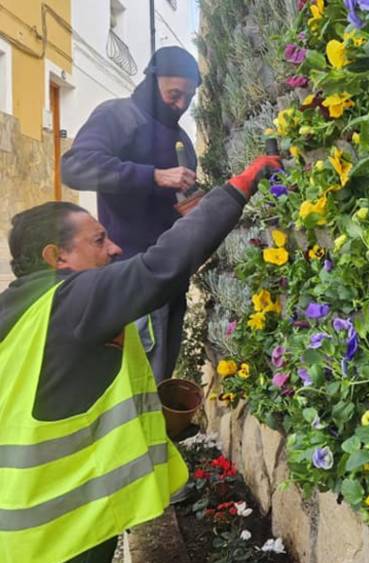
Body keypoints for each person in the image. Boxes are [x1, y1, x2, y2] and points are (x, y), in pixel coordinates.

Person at [0, 155, 280, 562]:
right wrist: (238, 188)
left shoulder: (19, 311)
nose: (114, 249)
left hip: (25, 526)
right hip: (61, 536)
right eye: (98, 240)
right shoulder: (69, 301)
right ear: (56, 257)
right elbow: (158, 270)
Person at [61, 46, 201, 383]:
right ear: (152, 83)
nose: (180, 105)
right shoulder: (118, 116)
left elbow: (178, 200)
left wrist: (193, 208)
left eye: (189, 97)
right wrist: (154, 175)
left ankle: (155, 434)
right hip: (130, 275)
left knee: (160, 375)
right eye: (174, 94)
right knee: (130, 378)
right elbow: (75, 167)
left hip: (171, 278)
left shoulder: (183, 140)